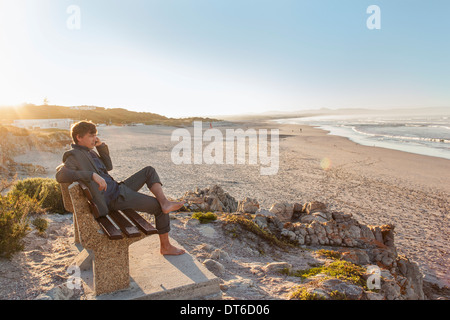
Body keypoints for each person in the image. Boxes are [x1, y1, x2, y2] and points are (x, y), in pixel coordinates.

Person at [56, 120, 186, 255]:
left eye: (96, 135)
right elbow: (61, 175)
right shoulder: (74, 155)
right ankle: (165, 246)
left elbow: (108, 167)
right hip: (114, 198)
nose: (95, 138)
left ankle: (165, 202)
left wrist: (100, 147)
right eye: (91, 135)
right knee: (158, 208)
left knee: (149, 171)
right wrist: (92, 175)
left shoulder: (90, 152)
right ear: (79, 137)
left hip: (117, 189)